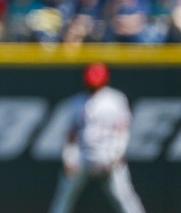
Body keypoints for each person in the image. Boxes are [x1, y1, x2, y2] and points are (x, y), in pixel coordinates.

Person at [48, 62, 144, 213]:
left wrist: (117, 154)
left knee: (124, 197)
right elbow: (72, 135)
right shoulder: (77, 102)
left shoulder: (116, 99)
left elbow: (122, 130)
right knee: (64, 197)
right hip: (83, 156)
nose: (93, 87)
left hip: (108, 156)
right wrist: (69, 157)